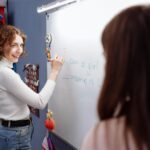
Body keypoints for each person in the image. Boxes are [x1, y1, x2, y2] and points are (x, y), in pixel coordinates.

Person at [81, 4, 150, 150]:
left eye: (107, 57)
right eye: (17, 45)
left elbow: (39, 101)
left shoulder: (104, 137)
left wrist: (54, 74)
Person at [0, 25, 64, 150]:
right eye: (14, 45)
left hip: (10, 131)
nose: (20, 50)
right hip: (15, 134)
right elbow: (39, 102)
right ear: (1, 46)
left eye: (21, 45)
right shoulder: (6, 73)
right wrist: (55, 71)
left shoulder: (4, 70)